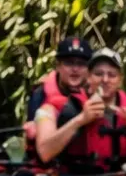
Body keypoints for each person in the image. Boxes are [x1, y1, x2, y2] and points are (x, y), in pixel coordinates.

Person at [32, 47, 126, 176]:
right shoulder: (56, 109)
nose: (105, 80)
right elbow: (45, 153)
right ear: (88, 77)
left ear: (120, 80)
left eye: (112, 75)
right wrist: (81, 119)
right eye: (98, 74)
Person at [22, 37, 94, 166]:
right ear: (58, 66)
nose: (75, 69)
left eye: (81, 64)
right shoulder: (40, 93)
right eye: (69, 63)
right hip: (51, 161)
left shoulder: (96, 92)